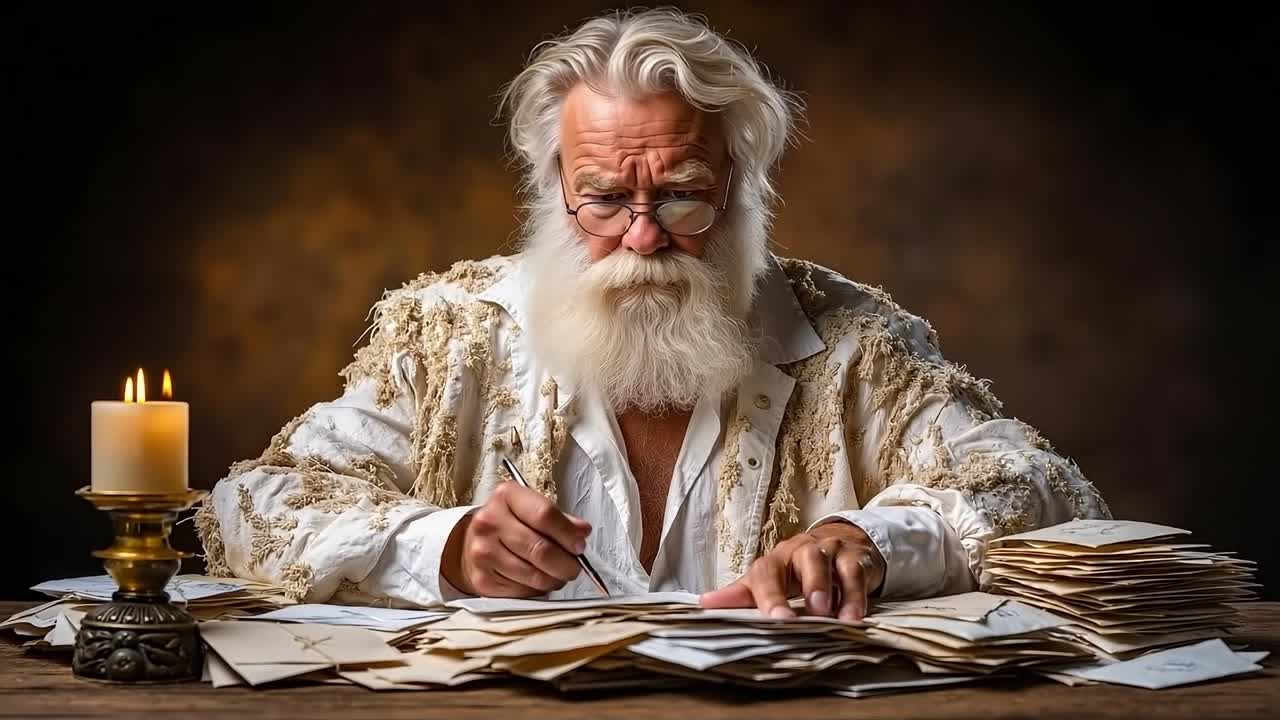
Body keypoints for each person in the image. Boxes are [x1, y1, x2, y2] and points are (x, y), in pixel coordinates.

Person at [195, 8, 1109, 621]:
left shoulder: (856, 346)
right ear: (555, 190)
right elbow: (257, 504)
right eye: (602, 199)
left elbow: (1046, 494)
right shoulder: (449, 338)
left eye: (681, 195)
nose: (642, 237)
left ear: (741, 190)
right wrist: (447, 546)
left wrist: (868, 540)